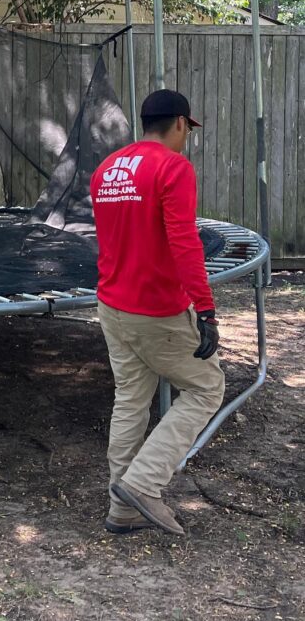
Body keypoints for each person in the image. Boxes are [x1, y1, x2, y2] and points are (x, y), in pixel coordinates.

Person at [89, 89, 224, 537]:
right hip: (156, 311)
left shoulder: (106, 170)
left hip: (112, 305)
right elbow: (185, 241)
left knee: (131, 399)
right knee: (207, 388)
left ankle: (122, 509)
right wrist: (205, 310)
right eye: (188, 129)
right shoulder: (173, 167)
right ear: (181, 124)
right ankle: (144, 485)